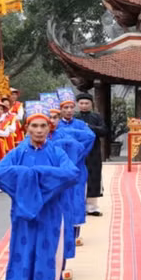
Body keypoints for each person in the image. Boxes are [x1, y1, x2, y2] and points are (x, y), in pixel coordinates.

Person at [0, 101, 78, 280]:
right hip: (24, 218)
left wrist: (37, 175)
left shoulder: (56, 152)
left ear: (49, 128)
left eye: (43, 126)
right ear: (27, 128)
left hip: (50, 215)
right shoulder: (18, 152)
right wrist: (27, 177)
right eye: (34, 126)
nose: (39, 130)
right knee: (26, 258)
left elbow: (71, 173)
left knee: (50, 260)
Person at [53, 90, 94, 246]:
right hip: (58, 170)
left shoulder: (80, 125)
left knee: (76, 199)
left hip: (77, 167)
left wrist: (76, 155)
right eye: (65, 108)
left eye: (71, 107)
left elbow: (90, 137)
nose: (69, 110)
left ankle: (75, 234)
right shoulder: (53, 128)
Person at [75, 93, 108, 216]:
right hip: (77, 152)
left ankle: (92, 206)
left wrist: (89, 127)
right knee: (76, 176)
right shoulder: (74, 117)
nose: (84, 105)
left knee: (93, 176)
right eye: (81, 103)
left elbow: (104, 131)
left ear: (91, 104)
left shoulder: (96, 117)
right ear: (78, 104)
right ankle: (78, 205)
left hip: (93, 151)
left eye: (86, 103)